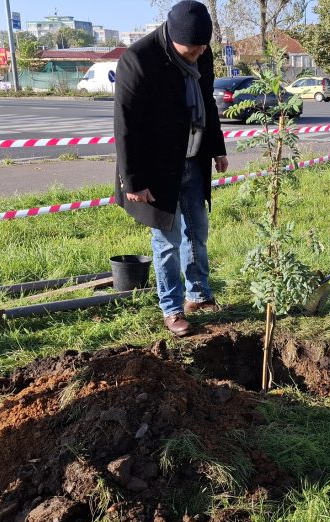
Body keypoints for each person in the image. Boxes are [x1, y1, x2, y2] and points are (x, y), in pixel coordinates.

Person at [113, 0, 229, 337]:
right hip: (155, 167)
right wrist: (133, 180)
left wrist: (217, 147)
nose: (197, 55)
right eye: (190, 50)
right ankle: (172, 308)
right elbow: (125, 127)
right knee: (166, 239)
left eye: (201, 49)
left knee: (197, 229)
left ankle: (199, 294)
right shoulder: (138, 60)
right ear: (172, 36)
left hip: (193, 158)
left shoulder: (202, 53)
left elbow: (207, 100)